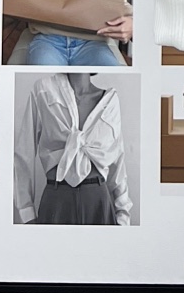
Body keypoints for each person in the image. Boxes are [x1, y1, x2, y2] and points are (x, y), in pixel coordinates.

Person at [13, 73, 131, 225]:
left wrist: (123, 214)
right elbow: (24, 152)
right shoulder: (43, 90)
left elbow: (117, 159)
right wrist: (26, 213)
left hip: (98, 201)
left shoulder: (110, 101)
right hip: (56, 199)